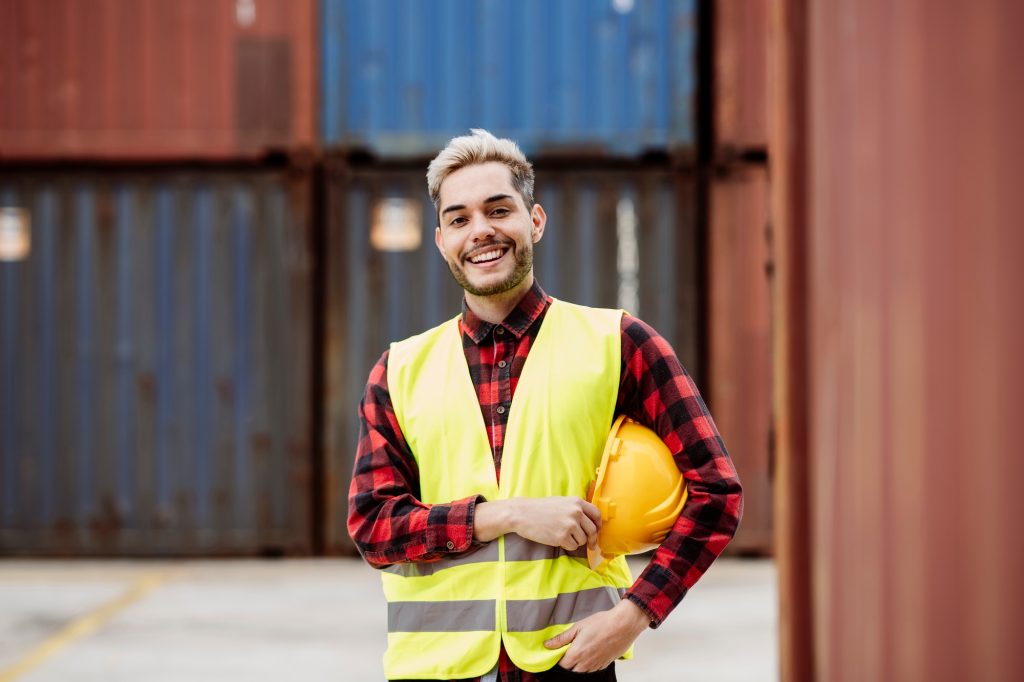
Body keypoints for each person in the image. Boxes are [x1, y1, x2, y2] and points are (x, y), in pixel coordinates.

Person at [348, 129, 743, 681]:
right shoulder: (400, 369)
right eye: (459, 219)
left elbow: (716, 491)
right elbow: (373, 527)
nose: (480, 230)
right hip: (436, 671)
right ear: (441, 240)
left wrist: (634, 614)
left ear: (534, 221)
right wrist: (505, 514)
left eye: (498, 210)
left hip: (568, 666)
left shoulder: (620, 343)